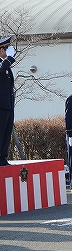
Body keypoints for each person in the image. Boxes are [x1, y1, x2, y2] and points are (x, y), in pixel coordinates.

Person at [0, 37, 15, 166]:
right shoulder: (3, 64)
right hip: (1, 105)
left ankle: (2, 158)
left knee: (6, 132)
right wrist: (9, 59)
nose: (8, 51)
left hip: (8, 105)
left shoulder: (4, 64)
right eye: (6, 48)